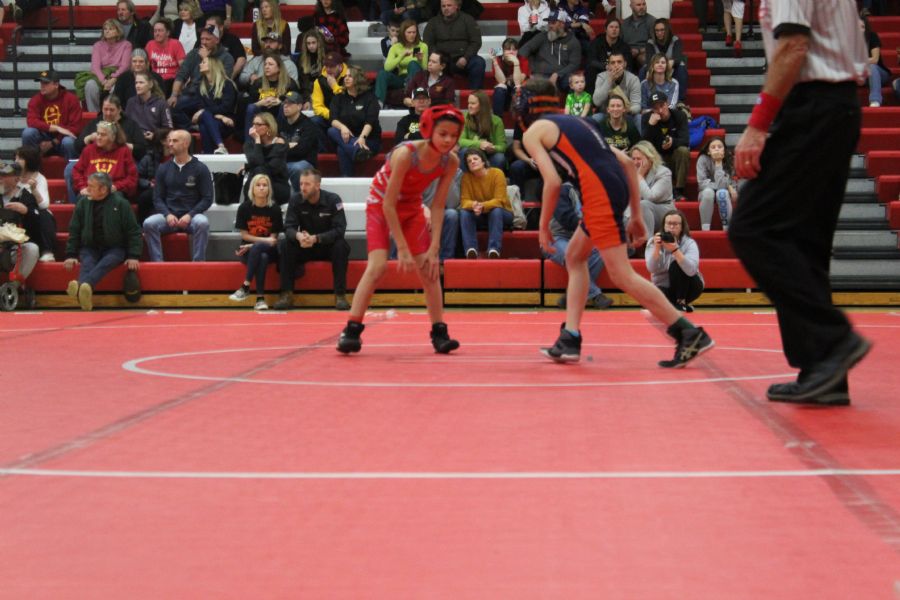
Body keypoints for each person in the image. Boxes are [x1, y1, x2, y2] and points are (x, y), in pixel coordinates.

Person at [730, 0, 871, 405]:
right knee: (805, 241)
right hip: (837, 105)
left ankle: (833, 339)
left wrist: (757, 126)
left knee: (752, 228)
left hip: (814, 104)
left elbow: (793, 45)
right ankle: (824, 371)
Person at [519, 78, 713, 366]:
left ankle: (688, 332)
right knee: (575, 257)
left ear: (528, 104)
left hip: (598, 193)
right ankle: (570, 337)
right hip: (613, 188)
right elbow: (627, 163)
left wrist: (543, 225)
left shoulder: (534, 132)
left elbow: (552, 182)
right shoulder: (579, 123)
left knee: (622, 275)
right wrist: (635, 215)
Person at [335, 105, 465, 354]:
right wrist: (402, 247)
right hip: (381, 204)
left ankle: (440, 332)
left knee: (429, 270)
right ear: (428, 130)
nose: (448, 140)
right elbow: (388, 204)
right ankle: (351, 330)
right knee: (378, 266)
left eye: (453, 135)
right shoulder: (406, 154)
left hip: (412, 206)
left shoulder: (450, 161)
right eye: (443, 134)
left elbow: (438, 206)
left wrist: (435, 246)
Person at [63, 172, 142, 311]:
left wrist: (133, 255)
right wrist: (71, 254)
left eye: (91, 186)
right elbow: (74, 229)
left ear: (103, 189)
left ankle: (82, 285)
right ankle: (85, 288)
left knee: (108, 261)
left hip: (115, 247)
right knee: (87, 263)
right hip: (90, 246)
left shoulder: (121, 204)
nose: (87, 189)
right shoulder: (83, 203)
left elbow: (133, 231)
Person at [274, 168, 351, 311]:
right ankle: (286, 295)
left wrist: (316, 238)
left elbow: (340, 230)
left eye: (307, 184)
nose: (303, 187)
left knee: (341, 246)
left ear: (317, 185)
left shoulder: (333, 200)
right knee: (285, 244)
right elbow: (289, 227)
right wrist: (298, 236)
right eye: (301, 184)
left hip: (326, 245)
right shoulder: (295, 199)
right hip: (304, 245)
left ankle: (340, 295)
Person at [143, 129, 213, 261]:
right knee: (148, 223)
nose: (170, 144)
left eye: (174, 141)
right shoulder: (163, 168)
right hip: (169, 216)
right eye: (169, 140)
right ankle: (158, 264)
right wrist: (167, 214)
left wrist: (190, 215)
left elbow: (207, 198)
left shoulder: (200, 168)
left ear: (186, 143)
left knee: (202, 223)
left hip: (192, 216)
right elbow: (157, 198)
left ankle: (198, 264)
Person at [548, 183, 613, 310]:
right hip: (556, 237)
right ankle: (596, 295)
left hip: (581, 236)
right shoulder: (562, 189)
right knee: (573, 256)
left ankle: (571, 293)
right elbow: (565, 217)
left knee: (603, 249)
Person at [229, 173, 284, 310]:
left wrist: (253, 245)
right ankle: (260, 299)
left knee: (262, 251)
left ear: (269, 189)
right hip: (248, 251)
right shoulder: (244, 208)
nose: (261, 188)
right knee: (262, 257)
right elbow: (244, 235)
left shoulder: (275, 209)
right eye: (258, 185)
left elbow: (273, 240)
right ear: (252, 189)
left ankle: (246, 285)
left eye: (265, 185)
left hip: (269, 250)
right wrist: (256, 244)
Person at [327, 66, 382, 176]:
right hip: (347, 137)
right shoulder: (339, 98)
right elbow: (333, 119)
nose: (346, 78)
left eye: (350, 76)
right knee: (332, 130)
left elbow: (370, 121)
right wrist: (343, 127)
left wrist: (362, 138)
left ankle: (346, 179)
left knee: (342, 149)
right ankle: (357, 151)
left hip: (368, 139)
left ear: (358, 79)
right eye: (345, 76)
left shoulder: (370, 98)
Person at [168, 24, 236, 113]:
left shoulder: (227, 57)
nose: (203, 42)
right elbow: (181, 75)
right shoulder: (194, 53)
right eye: (202, 39)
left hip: (212, 95)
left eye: (207, 39)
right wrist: (174, 95)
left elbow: (221, 81)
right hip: (192, 92)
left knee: (181, 105)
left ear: (217, 40)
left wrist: (206, 59)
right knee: (170, 106)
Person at [646, 209, 703, 312]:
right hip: (664, 286)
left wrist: (675, 251)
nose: (671, 227)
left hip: (690, 287)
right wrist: (657, 249)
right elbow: (652, 269)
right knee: (652, 297)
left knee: (676, 264)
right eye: (669, 224)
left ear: (682, 227)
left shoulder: (689, 243)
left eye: (675, 224)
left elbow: (691, 271)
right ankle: (679, 306)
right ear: (664, 226)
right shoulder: (653, 242)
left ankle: (681, 302)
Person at [459, 149, 512, 258]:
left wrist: (482, 206)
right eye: (469, 161)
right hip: (480, 213)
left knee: (496, 210)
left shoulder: (497, 173)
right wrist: (473, 205)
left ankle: (494, 250)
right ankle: (470, 249)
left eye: (475, 159)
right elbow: (464, 201)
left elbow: (500, 200)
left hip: (503, 213)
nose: (472, 162)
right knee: (464, 212)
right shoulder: (466, 177)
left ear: (483, 161)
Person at [69, 121, 139, 204]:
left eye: (103, 135)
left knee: (117, 199)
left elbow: (132, 177)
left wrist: (117, 186)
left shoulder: (124, 151)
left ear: (113, 137)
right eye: (98, 134)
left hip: (114, 191)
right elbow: (77, 171)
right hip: (91, 189)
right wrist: (83, 187)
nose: (98, 137)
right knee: (82, 200)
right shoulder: (88, 149)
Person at [422, 0, 485, 91]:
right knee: (432, 64)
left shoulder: (468, 20)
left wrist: (466, 57)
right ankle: (437, 95)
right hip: (442, 60)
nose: (446, 8)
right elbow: (428, 43)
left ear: (457, 7)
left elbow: (476, 42)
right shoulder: (433, 22)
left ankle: (475, 94)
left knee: (478, 62)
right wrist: (438, 58)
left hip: (463, 59)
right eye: (443, 6)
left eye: (449, 5)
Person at [23, 70, 82, 161]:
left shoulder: (71, 99)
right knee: (28, 133)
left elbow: (75, 128)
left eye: (46, 83)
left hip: (62, 139)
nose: (42, 86)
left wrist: (53, 142)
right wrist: (56, 128)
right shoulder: (35, 100)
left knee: (68, 142)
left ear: (56, 85)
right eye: (41, 83)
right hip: (43, 139)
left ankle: (73, 169)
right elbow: (31, 121)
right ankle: (30, 167)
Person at [641, 91, 690, 201]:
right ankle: (667, 191)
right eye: (655, 108)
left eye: (662, 106)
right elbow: (643, 145)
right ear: (651, 110)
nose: (660, 110)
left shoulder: (679, 115)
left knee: (684, 151)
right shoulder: (646, 118)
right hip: (656, 157)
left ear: (667, 103)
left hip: (673, 155)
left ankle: (679, 190)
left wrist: (673, 142)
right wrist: (650, 125)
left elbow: (685, 140)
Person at [518, 10, 581, 94]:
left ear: (562, 24)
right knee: (539, 84)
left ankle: (572, 102)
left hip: (562, 74)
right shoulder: (542, 36)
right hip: (540, 73)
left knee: (572, 82)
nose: (550, 26)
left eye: (553, 23)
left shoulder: (573, 42)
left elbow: (574, 64)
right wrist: (527, 69)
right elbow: (524, 50)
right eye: (549, 23)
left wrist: (557, 74)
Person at [0, 162, 41, 287]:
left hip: (14, 248)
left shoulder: (25, 196)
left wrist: (26, 211)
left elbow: (38, 224)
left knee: (32, 249)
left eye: (4, 176)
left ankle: (13, 287)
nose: (0, 179)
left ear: (16, 179)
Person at [14, 146, 57, 262]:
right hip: (15, 215)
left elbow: (44, 205)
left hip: (32, 217)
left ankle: (47, 251)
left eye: (20, 158)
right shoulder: (11, 176)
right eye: (16, 158)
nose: (16, 161)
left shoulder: (39, 178)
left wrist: (34, 189)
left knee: (44, 213)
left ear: (29, 160)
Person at [81, 19, 133, 112]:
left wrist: (113, 79)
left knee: (115, 88)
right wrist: (104, 81)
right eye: (105, 29)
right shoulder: (97, 45)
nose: (107, 31)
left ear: (118, 31)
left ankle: (113, 114)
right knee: (90, 85)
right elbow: (95, 67)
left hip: (118, 76)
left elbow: (125, 66)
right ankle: (95, 114)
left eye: (111, 29)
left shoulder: (126, 45)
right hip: (101, 76)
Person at [189, 55, 237, 154]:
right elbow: (201, 107)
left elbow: (226, 107)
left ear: (212, 65)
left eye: (203, 62)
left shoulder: (227, 84)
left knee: (204, 119)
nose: (200, 64)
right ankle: (220, 147)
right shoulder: (201, 87)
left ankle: (209, 153)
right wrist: (219, 116)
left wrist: (205, 111)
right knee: (204, 124)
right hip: (215, 120)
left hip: (226, 123)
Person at [244, 53, 302, 133]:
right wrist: (260, 103)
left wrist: (281, 101)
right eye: (265, 64)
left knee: (283, 106)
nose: (266, 67)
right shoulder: (258, 83)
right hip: (262, 114)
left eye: (270, 64)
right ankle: (250, 139)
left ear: (279, 68)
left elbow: (296, 103)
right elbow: (250, 103)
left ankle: (282, 136)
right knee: (251, 107)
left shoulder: (289, 83)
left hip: (280, 114)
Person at [375, 19, 427, 107]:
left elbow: (425, 69)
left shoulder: (422, 46)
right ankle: (378, 104)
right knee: (382, 74)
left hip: (417, 78)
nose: (412, 35)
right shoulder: (396, 47)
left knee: (413, 64)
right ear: (403, 33)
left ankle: (411, 96)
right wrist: (401, 56)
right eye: (409, 32)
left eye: (414, 32)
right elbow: (387, 67)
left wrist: (420, 60)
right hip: (401, 79)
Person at [244, 112, 291, 204]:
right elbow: (257, 163)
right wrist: (257, 141)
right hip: (255, 184)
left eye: (258, 124)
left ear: (269, 127)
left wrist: (248, 166)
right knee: (257, 173)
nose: (254, 127)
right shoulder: (249, 145)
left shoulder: (280, 143)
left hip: (276, 184)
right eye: (253, 124)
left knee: (259, 170)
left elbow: (272, 169)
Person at [629, 140, 673, 236]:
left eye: (639, 159)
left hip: (663, 211)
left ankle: (648, 241)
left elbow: (651, 197)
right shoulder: (631, 173)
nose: (635, 162)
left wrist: (639, 177)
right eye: (633, 159)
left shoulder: (663, 172)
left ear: (650, 159)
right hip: (640, 211)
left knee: (643, 204)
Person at [278, 91, 319, 191]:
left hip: (304, 162)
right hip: (284, 161)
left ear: (299, 106)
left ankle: (300, 197)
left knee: (296, 168)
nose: (285, 106)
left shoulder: (309, 126)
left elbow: (301, 150)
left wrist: (284, 146)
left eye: (290, 103)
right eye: (284, 103)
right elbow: (273, 146)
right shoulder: (280, 123)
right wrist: (290, 145)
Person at [459, 91, 507, 171]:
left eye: (473, 103)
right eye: (468, 103)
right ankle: (465, 178)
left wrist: (493, 148)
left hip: (489, 155)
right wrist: (479, 144)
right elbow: (460, 141)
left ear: (482, 105)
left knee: (499, 157)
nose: (469, 106)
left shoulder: (497, 121)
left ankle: (491, 178)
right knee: (464, 151)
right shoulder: (464, 118)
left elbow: (502, 146)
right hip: (471, 154)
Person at [696, 136, 736, 231]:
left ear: (724, 150)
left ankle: (727, 229)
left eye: (720, 147)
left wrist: (718, 162)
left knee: (722, 193)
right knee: (709, 192)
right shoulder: (702, 159)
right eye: (713, 147)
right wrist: (727, 186)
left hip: (724, 193)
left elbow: (722, 186)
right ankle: (705, 229)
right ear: (708, 151)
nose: (717, 149)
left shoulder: (729, 159)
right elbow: (702, 183)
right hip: (705, 193)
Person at [591, 51, 642, 126]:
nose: (616, 65)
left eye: (619, 62)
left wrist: (626, 110)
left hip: (626, 115)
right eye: (613, 63)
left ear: (625, 64)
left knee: (639, 118)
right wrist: (609, 80)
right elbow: (597, 102)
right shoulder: (601, 77)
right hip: (607, 115)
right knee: (596, 117)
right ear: (608, 66)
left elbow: (637, 105)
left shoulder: (633, 79)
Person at [585, 18, 632, 96]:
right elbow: (591, 61)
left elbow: (628, 65)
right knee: (590, 70)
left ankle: (619, 98)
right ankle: (591, 98)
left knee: (627, 74)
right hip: (600, 70)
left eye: (616, 27)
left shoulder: (624, 46)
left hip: (617, 72)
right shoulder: (596, 42)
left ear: (620, 30)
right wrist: (606, 66)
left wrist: (617, 69)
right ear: (605, 29)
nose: (614, 29)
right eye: (611, 27)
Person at [643, 18, 688, 98]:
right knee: (643, 70)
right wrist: (650, 69)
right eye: (657, 30)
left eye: (662, 30)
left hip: (672, 67)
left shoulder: (675, 40)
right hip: (656, 67)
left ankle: (680, 99)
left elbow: (678, 58)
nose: (659, 33)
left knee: (681, 68)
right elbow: (649, 60)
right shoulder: (650, 42)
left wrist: (669, 63)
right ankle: (645, 97)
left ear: (667, 30)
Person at [135, 127, 172, 223]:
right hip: (153, 188)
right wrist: (148, 184)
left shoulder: (178, 157)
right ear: (163, 141)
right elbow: (138, 177)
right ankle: (141, 225)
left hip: (173, 188)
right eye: (171, 138)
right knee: (145, 197)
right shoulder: (149, 158)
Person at [125, 73, 175, 142]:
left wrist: (155, 135)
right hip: (134, 141)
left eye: (141, 82)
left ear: (150, 84)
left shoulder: (161, 103)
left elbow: (168, 128)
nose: (137, 86)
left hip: (153, 142)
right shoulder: (131, 102)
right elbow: (126, 124)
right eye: (136, 83)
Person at [146, 18, 187, 97]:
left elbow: (183, 66)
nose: (157, 33)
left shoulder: (175, 44)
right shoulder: (150, 44)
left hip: (172, 80)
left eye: (160, 31)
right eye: (155, 31)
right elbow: (145, 65)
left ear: (168, 33)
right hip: (155, 79)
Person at [489, 38, 529, 119]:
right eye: (508, 49)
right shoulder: (498, 59)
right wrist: (495, 62)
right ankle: (497, 121)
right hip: (504, 97)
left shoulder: (522, 60)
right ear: (503, 51)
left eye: (514, 50)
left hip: (517, 95)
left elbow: (518, 82)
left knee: (519, 88)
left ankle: (521, 121)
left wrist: (516, 63)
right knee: (500, 87)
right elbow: (502, 81)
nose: (511, 52)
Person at [862, 12, 891, 108]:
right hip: (860, 75)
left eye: (862, 27)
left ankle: (875, 100)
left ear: (866, 28)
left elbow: (875, 59)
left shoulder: (872, 36)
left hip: (878, 73)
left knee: (872, 67)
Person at [621, 0, 656, 70]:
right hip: (628, 52)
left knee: (643, 58)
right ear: (631, 6)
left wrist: (639, 51)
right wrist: (628, 51)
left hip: (645, 52)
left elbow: (655, 43)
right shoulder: (624, 23)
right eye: (638, 5)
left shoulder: (652, 21)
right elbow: (620, 43)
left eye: (644, 4)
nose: (642, 7)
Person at [295, 28, 326, 104]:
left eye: (313, 43)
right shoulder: (301, 58)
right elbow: (303, 82)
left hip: (324, 91)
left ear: (319, 43)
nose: (311, 46)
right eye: (308, 43)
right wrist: (307, 99)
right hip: (308, 93)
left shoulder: (325, 56)